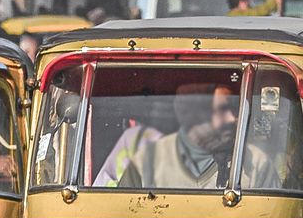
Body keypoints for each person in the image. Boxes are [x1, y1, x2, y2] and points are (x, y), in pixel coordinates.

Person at [116, 82, 272, 191]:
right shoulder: (148, 161)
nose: (233, 119)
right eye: (223, 109)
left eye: (235, 109)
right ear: (193, 116)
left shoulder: (257, 164)